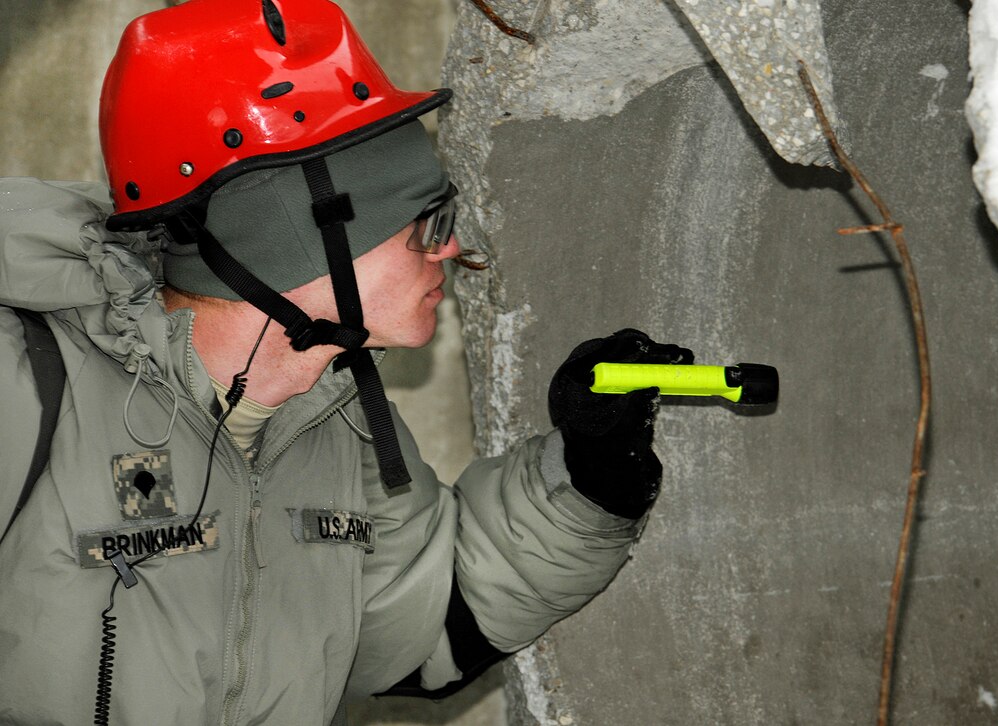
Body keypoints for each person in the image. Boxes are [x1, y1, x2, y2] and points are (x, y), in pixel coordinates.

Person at [0, 0, 692, 723]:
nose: (450, 250)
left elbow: (420, 631)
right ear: (304, 239)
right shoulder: (29, 389)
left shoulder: (337, 423)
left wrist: (590, 473)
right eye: (430, 223)